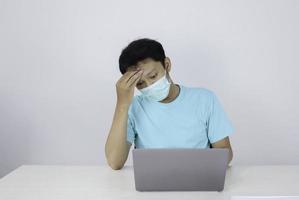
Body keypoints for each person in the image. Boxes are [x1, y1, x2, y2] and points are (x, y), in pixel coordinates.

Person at [105, 38, 234, 170]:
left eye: (153, 76)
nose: (150, 86)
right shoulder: (133, 107)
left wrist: (198, 167)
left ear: (167, 65)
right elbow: (115, 162)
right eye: (140, 84)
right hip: (153, 184)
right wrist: (122, 104)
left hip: (198, 182)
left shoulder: (204, 99)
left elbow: (226, 153)